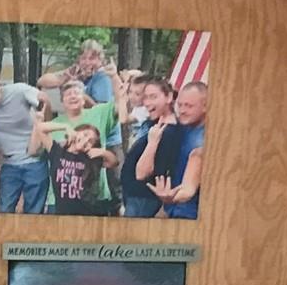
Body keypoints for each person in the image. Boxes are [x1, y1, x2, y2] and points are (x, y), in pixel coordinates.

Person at [32, 80, 119, 216]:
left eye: (77, 93)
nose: (72, 96)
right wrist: (65, 127)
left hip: (92, 202)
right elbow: (39, 133)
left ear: (84, 99)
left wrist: (114, 76)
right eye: (68, 94)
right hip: (58, 201)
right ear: (62, 101)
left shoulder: (90, 155)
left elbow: (113, 162)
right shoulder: (57, 147)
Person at [0, 67, 49, 214]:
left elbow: (43, 98)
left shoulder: (18, 91)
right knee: (4, 210)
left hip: (35, 161)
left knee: (34, 212)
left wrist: (43, 124)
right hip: (9, 164)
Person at [141, 80, 206, 219]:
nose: (182, 110)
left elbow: (188, 189)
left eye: (188, 106)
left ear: (206, 106)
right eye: (180, 105)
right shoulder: (181, 129)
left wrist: (172, 197)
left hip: (190, 216)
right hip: (170, 211)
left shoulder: (204, 139)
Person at [119, 75, 181, 218]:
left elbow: (142, 173)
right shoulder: (154, 123)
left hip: (144, 199)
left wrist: (152, 142)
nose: (147, 102)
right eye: (145, 97)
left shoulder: (169, 132)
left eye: (153, 97)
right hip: (134, 197)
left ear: (169, 97)